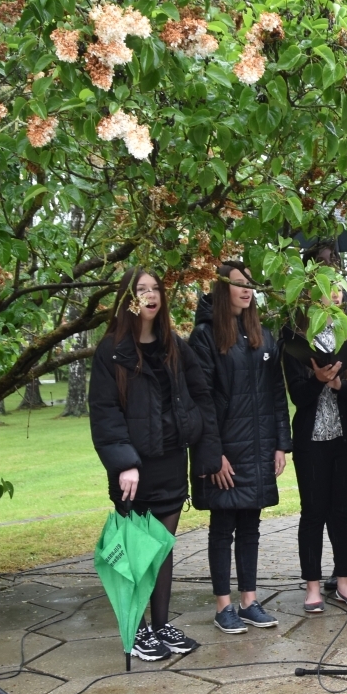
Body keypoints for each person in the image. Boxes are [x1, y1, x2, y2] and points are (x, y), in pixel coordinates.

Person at [89, 268, 220, 661]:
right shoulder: (110, 350)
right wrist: (124, 462)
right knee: (137, 552)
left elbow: (202, 396)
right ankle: (139, 628)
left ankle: (161, 625)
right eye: (141, 290)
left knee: (162, 550)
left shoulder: (174, 346)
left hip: (170, 462)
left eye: (155, 289)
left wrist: (202, 443)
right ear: (128, 299)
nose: (150, 296)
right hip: (134, 470)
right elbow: (105, 411)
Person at [190, 262, 291, 634]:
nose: (246, 291)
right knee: (223, 526)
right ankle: (223, 607)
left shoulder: (261, 335)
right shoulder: (204, 337)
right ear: (221, 290)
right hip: (224, 452)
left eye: (250, 285)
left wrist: (281, 444)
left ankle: (249, 601)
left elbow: (276, 394)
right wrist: (212, 454)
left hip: (260, 446)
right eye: (237, 285)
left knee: (251, 525)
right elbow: (200, 399)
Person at [281, 277, 347, 614]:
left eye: (337, 285)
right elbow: (297, 395)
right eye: (325, 286)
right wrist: (317, 379)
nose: (334, 292)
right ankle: (311, 587)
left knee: (343, 512)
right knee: (313, 512)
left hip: (345, 440)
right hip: (312, 441)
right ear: (308, 294)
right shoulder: (296, 340)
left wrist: (337, 384)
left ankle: (343, 581)